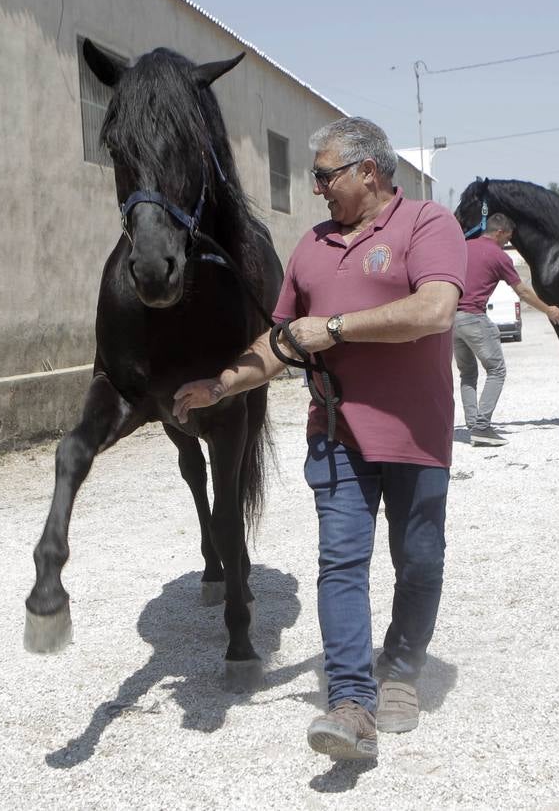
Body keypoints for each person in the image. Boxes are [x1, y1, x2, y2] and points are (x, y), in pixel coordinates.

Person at [172, 117, 466, 761]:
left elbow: (434, 310)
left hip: (416, 433)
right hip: (336, 433)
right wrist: (222, 385)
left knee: (419, 560)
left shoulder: (426, 224)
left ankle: (404, 667)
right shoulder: (311, 245)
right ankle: (351, 701)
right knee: (340, 562)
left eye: (325, 175)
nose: (316, 190)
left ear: (369, 170)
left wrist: (332, 328)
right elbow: (280, 341)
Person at [455, 214, 559, 446]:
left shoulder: (463, 247)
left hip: (452, 320)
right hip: (474, 316)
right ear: (499, 232)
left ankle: (474, 425)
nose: (507, 243)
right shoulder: (499, 256)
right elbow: (522, 291)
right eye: (507, 238)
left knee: (468, 374)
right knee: (497, 370)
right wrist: (548, 310)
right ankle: (482, 426)